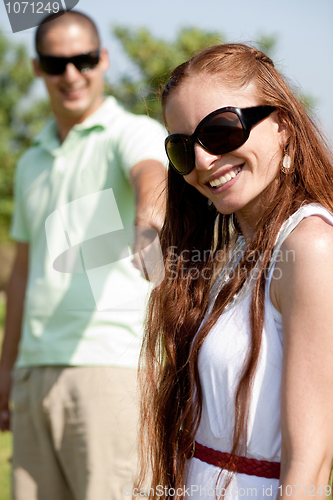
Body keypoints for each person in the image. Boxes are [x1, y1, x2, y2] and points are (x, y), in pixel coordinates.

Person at [137, 43, 333, 500]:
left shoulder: (310, 247)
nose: (203, 161)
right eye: (183, 148)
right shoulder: (236, 251)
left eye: (221, 131)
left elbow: (311, 461)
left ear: (282, 126)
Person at [0, 10, 167, 500]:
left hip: (110, 370)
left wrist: (148, 225)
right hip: (34, 374)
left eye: (84, 59)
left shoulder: (129, 131)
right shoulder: (32, 159)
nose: (71, 74)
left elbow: (151, 174)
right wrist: (8, 370)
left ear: (104, 60)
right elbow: (22, 276)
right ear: (37, 69)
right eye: (56, 63)